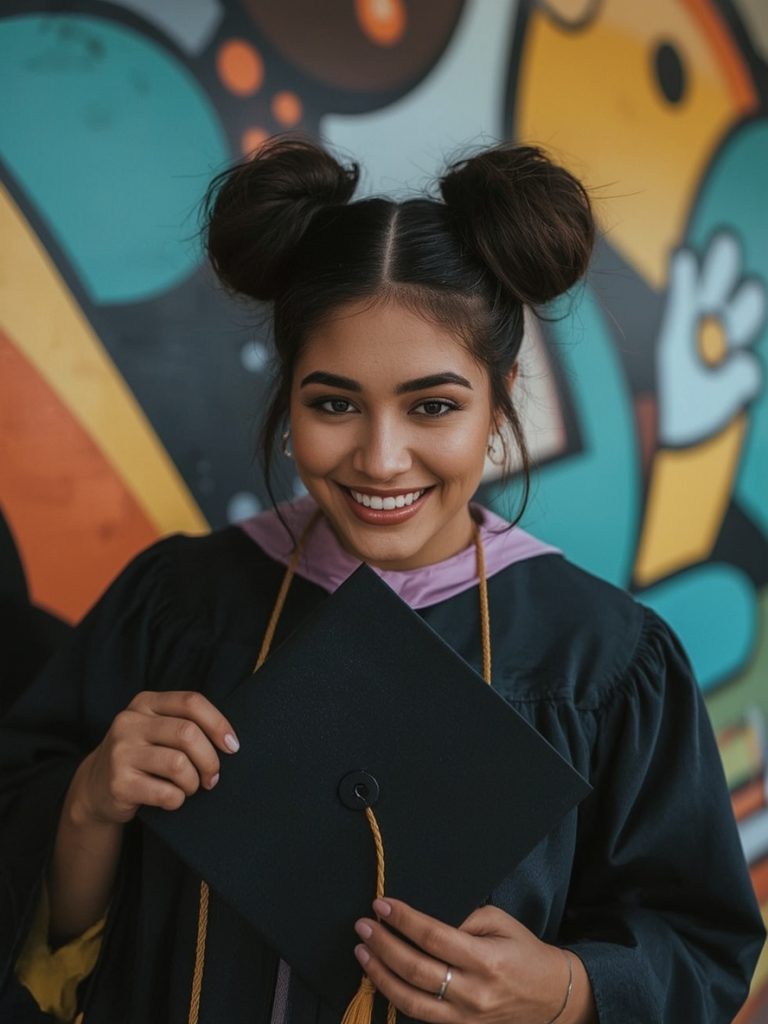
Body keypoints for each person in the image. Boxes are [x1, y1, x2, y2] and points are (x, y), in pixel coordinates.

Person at [0, 136, 764, 1024]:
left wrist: (564, 991)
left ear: (501, 396)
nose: (381, 458)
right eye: (334, 403)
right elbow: (51, 929)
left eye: (433, 405)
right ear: (289, 397)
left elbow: (700, 949)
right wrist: (89, 802)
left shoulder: (599, 663)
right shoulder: (178, 605)